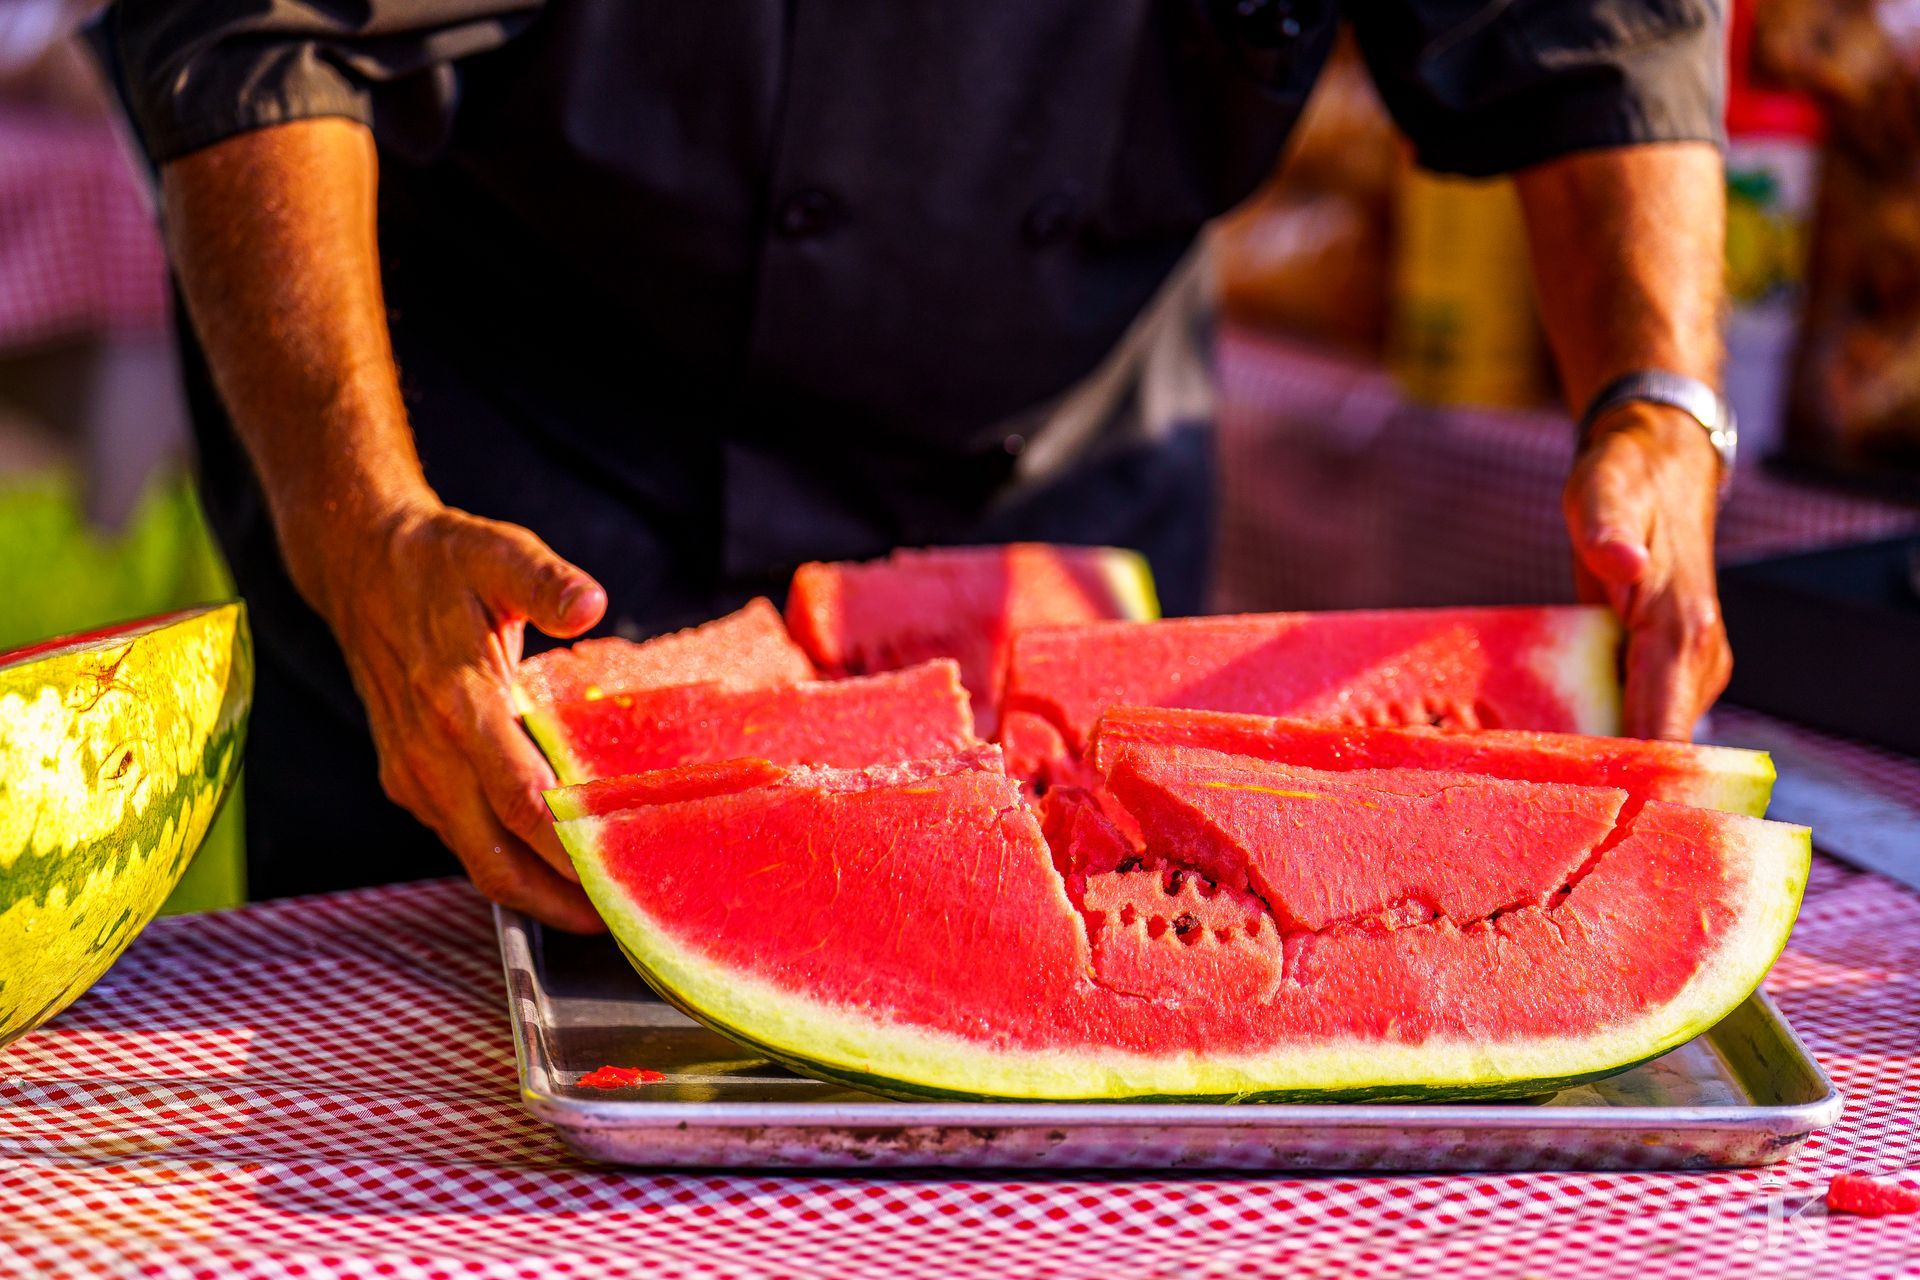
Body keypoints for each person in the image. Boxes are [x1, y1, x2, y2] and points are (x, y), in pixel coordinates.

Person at [116, 1, 1736, 931]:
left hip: (1051, 523)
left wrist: (1662, 394)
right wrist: (367, 519)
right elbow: (264, 20)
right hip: (509, 531)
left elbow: (1586, 23)